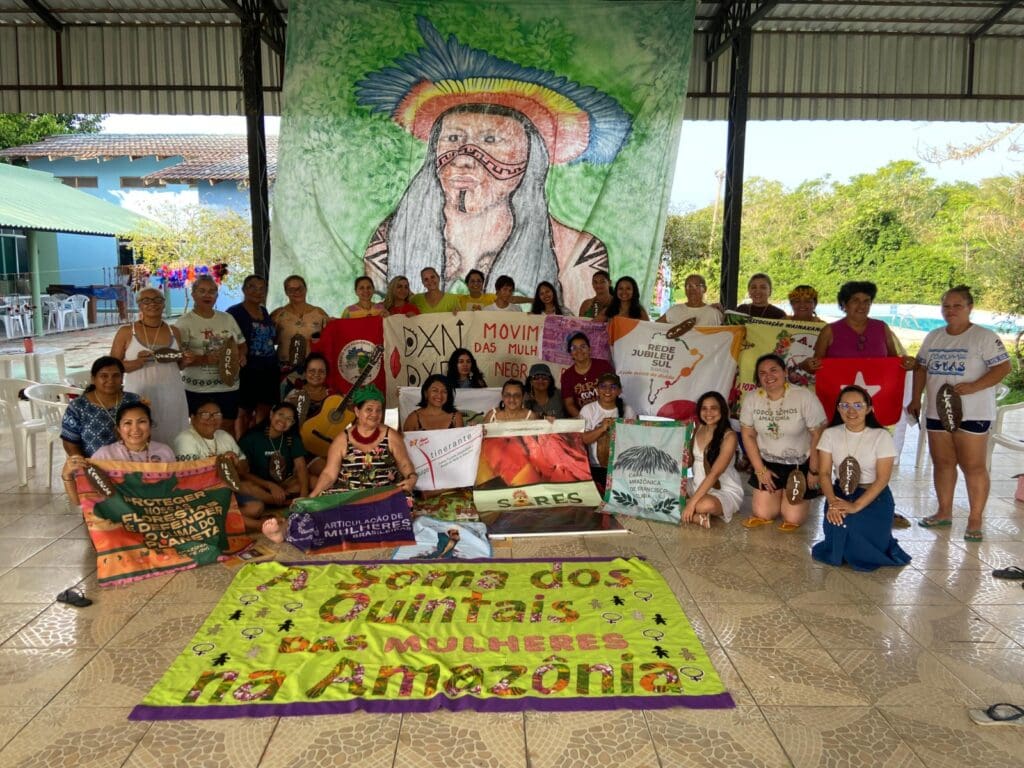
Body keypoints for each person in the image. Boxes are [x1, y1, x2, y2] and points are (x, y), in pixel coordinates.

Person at [359, 20, 631, 311]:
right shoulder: (390, 239)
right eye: (453, 138)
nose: (465, 157)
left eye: (491, 139)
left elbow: (574, 327)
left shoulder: (578, 252)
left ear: (531, 157)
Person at [909, 285, 1011, 543]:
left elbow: (1003, 367)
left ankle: (975, 519)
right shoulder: (933, 336)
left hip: (974, 411)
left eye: (957, 306)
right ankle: (944, 512)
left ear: (969, 308)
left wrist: (974, 387)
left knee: (973, 465)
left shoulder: (984, 337)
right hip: (937, 410)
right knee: (942, 463)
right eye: (946, 306)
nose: (951, 311)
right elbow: (920, 368)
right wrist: (915, 398)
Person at [812, 385, 912, 571]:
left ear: (869, 409)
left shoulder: (881, 436)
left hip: (873, 495)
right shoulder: (830, 434)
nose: (851, 411)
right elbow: (824, 473)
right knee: (840, 522)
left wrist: (856, 506)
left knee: (854, 522)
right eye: (845, 405)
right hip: (841, 492)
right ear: (838, 409)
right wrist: (833, 502)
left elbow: (882, 479)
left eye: (858, 405)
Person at [740, 353, 826, 531]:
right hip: (767, 464)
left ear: (785, 372)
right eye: (762, 373)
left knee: (792, 517)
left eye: (774, 370)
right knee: (763, 514)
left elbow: (818, 434)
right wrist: (760, 470)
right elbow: (748, 435)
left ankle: (787, 498)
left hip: (799, 466)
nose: (768, 376)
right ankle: (775, 494)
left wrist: (814, 470)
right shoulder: (752, 398)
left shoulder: (804, 396)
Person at [173, 399, 273, 534]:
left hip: (224, 490)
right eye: (205, 415)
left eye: (217, 414)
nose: (211, 419)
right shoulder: (185, 439)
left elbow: (245, 468)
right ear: (193, 417)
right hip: (199, 495)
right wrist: (221, 463)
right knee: (211, 512)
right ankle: (259, 526)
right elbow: (193, 478)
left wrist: (236, 461)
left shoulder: (224, 435)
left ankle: (222, 522)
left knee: (256, 508)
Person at [109, 286, 189, 444]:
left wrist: (187, 360)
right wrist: (137, 363)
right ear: (139, 304)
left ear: (164, 303)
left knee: (174, 437)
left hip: (172, 395)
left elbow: (179, 366)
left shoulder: (174, 331)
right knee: (139, 438)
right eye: (146, 300)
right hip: (139, 395)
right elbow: (112, 369)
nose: (152, 303)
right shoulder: (126, 331)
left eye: (157, 299)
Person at [309, 385, 418, 496]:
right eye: (369, 409)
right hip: (349, 498)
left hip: (384, 496)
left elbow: (404, 463)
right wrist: (312, 496)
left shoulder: (391, 436)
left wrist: (412, 477)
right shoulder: (342, 440)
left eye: (378, 410)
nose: (374, 414)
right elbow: (329, 474)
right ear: (357, 411)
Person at [175, 275, 248, 437]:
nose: (207, 295)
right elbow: (179, 359)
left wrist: (241, 355)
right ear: (193, 294)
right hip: (198, 388)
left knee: (227, 428)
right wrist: (204, 359)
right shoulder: (183, 323)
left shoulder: (227, 319)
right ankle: (204, 462)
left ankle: (226, 461)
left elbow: (242, 344)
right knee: (200, 430)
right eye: (202, 291)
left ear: (217, 295)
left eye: (212, 291)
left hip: (228, 385)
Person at [804, 281, 916, 371]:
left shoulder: (882, 328)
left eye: (866, 301)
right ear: (844, 304)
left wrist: (906, 363)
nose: (861, 306)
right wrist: (806, 365)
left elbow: (894, 362)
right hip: (840, 395)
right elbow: (815, 367)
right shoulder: (829, 331)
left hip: (878, 395)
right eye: (855, 301)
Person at [227, 275, 280, 437]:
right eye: (252, 287)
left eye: (261, 288)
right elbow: (228, 341)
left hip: (269, 368)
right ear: (244, 290)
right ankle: (242, 446)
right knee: (243, 411)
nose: (257, 291)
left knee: (264, 409)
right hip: (247, 370)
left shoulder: (264, 311)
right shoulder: (234, 312)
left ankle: (257, 443)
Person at [61, 356, 142, 458]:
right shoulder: (78, 407)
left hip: (131, 464)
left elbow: (144, 434)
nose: (110, 380)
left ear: (122, 379)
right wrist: (81, 464)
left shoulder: (133, 401)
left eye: (116, 375)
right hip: (92, 466)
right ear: (93, 379)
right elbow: (70, 441)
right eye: (104, 376)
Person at [683, 391, 743, 527]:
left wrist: (691, 504)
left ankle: (690, 510)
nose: (708, 413)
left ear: (722, 409)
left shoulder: (729, 436)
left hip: (722, 488)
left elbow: (715, 474)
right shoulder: (697, 428)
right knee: (664, 490)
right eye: (704, 408)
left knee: (704, 505)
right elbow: (689, 462)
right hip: (695, 484)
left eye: (713, 408)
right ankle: (696, 517)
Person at [238, 402, 310, 504]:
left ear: (293, 423)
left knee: (312, 481)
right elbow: (242, 473)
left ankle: (288, 501)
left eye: (289, 419)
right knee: (247, 487)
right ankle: (286, 502)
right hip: (260, 484)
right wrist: (270, 485)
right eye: (280, 415)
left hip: (284, 483)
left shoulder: (292, 438)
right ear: (271, 414)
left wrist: (304, 494)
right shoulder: (251, 438)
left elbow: (301, 466)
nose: (283, 421)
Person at [580, 372, 636, 488]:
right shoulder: (589, 410)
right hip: (595, 468)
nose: (608, 390)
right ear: (597, 389)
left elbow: (634, 441)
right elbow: (583, 439)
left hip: (621, 468)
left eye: (613, 387)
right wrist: (602, 429)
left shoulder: (628, 410)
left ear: (619, 391)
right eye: (603, 386)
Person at [270, 274, 331, 371]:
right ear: (286, 292)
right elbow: (267, 341)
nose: (297, 292)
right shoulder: (277, 315)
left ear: (306, 289)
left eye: (300, 288)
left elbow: (330, 338)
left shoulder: (319, 313)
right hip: (283, 368)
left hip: (312, 369)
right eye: (291, 289)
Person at [92, 401, 176, 462]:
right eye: (128, 423)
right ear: (119, 429)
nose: (135, 429)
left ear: (150, 425)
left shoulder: (165, 451)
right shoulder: (104, 455)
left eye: (141, 421)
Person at [560, 331, 613, 417]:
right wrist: (584, 421)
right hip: (583, 418)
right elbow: (569, 404)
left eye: (583, 346)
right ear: (571, 354)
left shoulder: (603, 366)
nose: (579, 351)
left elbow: (613, 392)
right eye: (574, 348)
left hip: (607, 414)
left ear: (589, 349)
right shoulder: (567, 376)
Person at [657, 274, 723, 327]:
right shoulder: (674, 310)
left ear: (704, 289)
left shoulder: (714, 313)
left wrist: (723, 314)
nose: (692, 289)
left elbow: (729, 333)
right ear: (685, 290)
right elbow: (651, 327)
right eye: (689, 286)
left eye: (697, 286)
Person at [284, 353, 334, 420]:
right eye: (312, 371)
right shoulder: (295, 394)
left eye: (321, 371)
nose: (316, 374)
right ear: (305, 372)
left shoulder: (332, 395)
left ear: (326, 374)